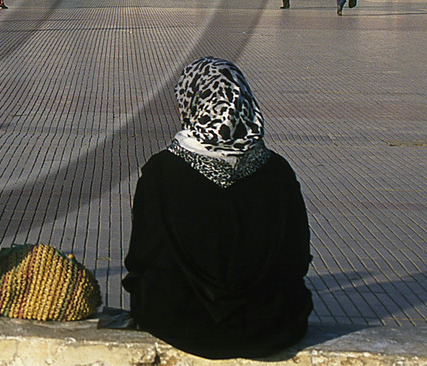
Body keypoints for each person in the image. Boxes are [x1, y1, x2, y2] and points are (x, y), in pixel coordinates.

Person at [123, 57, 312, 359]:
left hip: (177, 320)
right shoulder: (277, 172)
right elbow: (298, 257)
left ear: (191, 102)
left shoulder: (161, 171)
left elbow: (141, 257)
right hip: (271, 325)